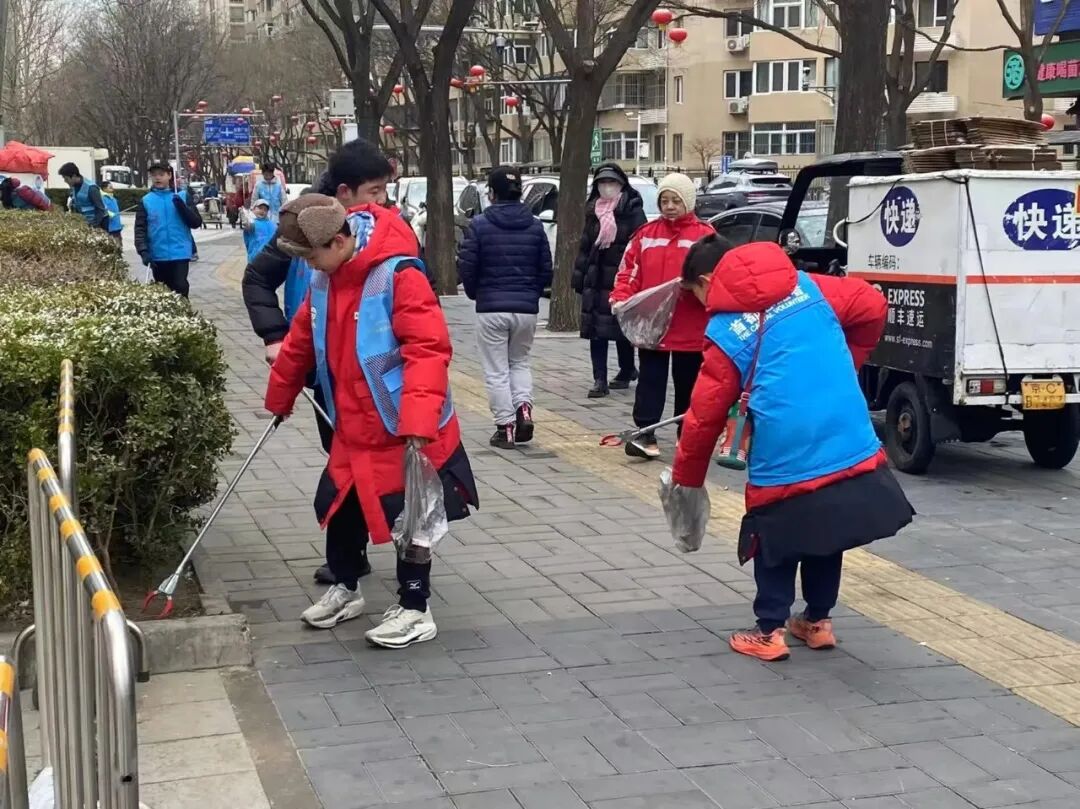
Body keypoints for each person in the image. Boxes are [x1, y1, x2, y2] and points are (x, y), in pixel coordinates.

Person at [672, 237, 914, 662]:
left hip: (785, 448)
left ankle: (769, 630)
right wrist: (847, 361)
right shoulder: (807, 286)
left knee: (775, 534)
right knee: (827, 527)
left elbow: (704, 416)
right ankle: (817, 621)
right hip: (844, 431)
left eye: (696, 294)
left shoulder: (725, 331)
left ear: (709, 280)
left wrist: (686, 481)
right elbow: (873, 305)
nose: (701, 305)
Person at [264, 193, 479, 647]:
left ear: (339, 241)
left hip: (404, 428)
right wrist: (280, 396)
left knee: (410, 518)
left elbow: (428, 349)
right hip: (353, 424)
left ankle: (416, 608)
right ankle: (345, 587)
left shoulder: (398, 275)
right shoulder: (324, 279)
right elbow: (301, 339)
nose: (309, 265)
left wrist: (418, 422)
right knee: (340, 506)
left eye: (312, 256)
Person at [242, 139, 399, 588]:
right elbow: (256, 278)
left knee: (373, 459)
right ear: (344, 193)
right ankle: (349, 556)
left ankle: (393, 549)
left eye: (385, 190)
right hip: (323, 367)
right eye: (374, 192)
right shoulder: (304, 224)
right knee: (342, 458)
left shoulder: (383, 233)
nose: (382, 201)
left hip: (374, 372)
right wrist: (275, 337)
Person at [610, 172, 714, 459]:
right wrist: (620, 298)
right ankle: (645, 433)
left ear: (688, 202)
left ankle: (687, 436)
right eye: (664, 201)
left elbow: (717, 277)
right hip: (653, 327)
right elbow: (628, 272)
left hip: (691, 326)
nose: (669, 207)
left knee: (689, 384)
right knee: (650, 380)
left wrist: (695, 287)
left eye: (675, 201)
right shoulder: (645, 235)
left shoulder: (705, 236)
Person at [456, 166, 552, 449]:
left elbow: (468, 266)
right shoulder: (535, 225)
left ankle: (505, 427)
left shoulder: (479, 225)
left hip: (491, 308)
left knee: (497, 370)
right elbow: (545, 269)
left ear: (492, 193)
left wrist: (476, 294)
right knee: (519, 362)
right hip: (526, 309)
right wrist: (532, 295)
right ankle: (524, 408)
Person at [573, 163, 645, 399]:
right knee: (597, 330)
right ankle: (599, 379)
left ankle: (627, 369)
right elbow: (585, 247)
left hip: (621, 278)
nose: (607, 187)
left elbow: (640, 245)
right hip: (596, 278)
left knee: (620, 328)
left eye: (611, 182)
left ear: (621, 184)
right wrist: (579, 277)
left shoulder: (632, 209)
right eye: (602, 183)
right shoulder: (593, 210)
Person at [134, 161, 203, 298]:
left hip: (180, 251)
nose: (157, 178)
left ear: (169, 175)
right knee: (163, 290)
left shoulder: (182, 196)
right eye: (154, 175)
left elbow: (196, 222)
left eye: (161, 174)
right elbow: (140, 229)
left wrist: (182, 208)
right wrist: (143, 251)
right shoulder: (146, 200)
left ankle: (183, 309)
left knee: (180, 285)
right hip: (157, 253)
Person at [58, 162, 108, 230]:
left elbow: (100, 209)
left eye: (66, 179)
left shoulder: (91, 188)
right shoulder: (73, 187)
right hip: (86, 222)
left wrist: (92, 226)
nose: (65, 181)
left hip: (99, 223)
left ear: (74, 176)